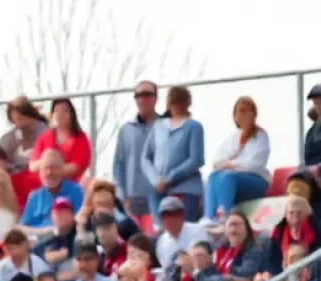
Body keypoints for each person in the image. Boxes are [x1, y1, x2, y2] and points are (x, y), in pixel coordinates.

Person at [140, 85, 205, 222]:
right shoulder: (158, 127)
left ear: (187, 103)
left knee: (184, 229)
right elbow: (145, 158)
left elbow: (196, 159)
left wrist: (170, 179)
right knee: (161, 234)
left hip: (186, 190)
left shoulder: (194, 127)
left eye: (179, 101)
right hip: (158, 192)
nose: (175, 106)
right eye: (172, 102)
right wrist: (155, 180)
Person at [203, 97, 271, 222]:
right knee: (213, 177)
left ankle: (226, 216)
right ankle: (209, 218)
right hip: (234, 179)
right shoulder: (233, 137)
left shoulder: (261, 135)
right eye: (240, 111)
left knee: (226, 176)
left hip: (256, 181)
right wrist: (232, 160)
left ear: (254, 114)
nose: (243, 115)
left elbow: (255, 164)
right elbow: (217, 161)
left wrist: (231, 164)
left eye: (246, 111)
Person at [113, 80, 160, 219]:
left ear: (155, 98)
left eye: (147, 94)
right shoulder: (126, 130)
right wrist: (121, 196)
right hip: (132, 200)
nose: (142, 99)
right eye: (138, 95)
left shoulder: (166, 127)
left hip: (159, 196)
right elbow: (118, 166)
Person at [29, 97, 91, 182]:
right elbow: (32, 165)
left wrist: (52, 170)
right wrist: (48, 165)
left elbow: (77, 166)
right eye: (56, 111)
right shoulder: (44, 137)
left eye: (65, 111)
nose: (60, 115)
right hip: (44, 184)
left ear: (72, 114)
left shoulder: (80, 138)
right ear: (52, 115)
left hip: (72, 184)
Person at [19, 151, 85, 230]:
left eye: (54, 168)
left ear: (62, 169)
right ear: (40, 173)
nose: (49, 172)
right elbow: (23, 227)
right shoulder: (34, 197)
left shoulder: (76, 192)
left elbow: (81, 220)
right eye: (45, 168)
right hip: (38, 239)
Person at [154, 196, 209, 271]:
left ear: (182, 215)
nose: (170, 218)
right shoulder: (161, 243)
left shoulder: (197, 230)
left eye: (175, 213)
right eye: (165, 215)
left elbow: (202, 261)